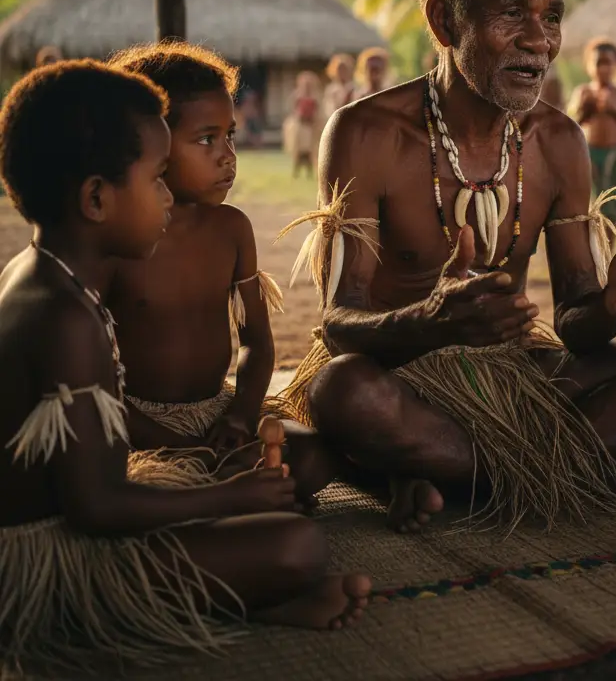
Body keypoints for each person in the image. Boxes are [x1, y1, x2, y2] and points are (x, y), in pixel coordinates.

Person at [276, 0, 616, 534]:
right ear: (446, 21)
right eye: (512, 12)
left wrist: (613, 305)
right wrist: (433, 320)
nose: (539, 40)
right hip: (401, 374)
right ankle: (590, 465)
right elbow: (340, 323)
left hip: (519, 374)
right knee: (340, 392)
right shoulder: (366, 133)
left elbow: (576, 320)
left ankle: (445, 474)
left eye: (551, 16)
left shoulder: (558, 142)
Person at [0, 61, 371, 671]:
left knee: (286, 515)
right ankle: (216, 604)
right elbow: (97, 508)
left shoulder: (51, 278)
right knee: (297, 545)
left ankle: (246, 594)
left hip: (78, 509)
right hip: (47, 556)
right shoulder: (64, 317)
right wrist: (227, 498)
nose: (168, 194)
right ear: (97, 198)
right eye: (155, 179)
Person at [105, 43, 336, 501]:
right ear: (149, 143)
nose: (228, 155)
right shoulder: (117, 243)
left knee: (312, 455)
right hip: (135, 426)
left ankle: (220, 496)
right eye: (206, 139)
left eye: (230, 135)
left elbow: (256, 344)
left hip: (215, 416)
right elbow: (93, 385)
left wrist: (239, 416)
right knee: (136, 479)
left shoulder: (231, 229)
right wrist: (177, 445)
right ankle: (218, 500)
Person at [568, 39, 616, 228]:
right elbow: (573, 124)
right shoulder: (583, 92)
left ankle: (608, 250)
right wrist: (585, 109)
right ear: (588, 66)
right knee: (588, 205)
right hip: (590, 153)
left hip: (614, 153)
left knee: (614, 204)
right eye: (598, 63)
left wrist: (614, 110)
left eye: (608, 63)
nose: (603, 69)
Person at [283, 70, 324, 179]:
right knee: (298, 152)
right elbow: (292, 108)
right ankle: (296, 172)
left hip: (311, 127)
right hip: (300, 126)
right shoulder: (297, 95)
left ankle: (310, 173)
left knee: (310, 152)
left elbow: (318, 110)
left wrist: (315, 119)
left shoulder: (315, 97)